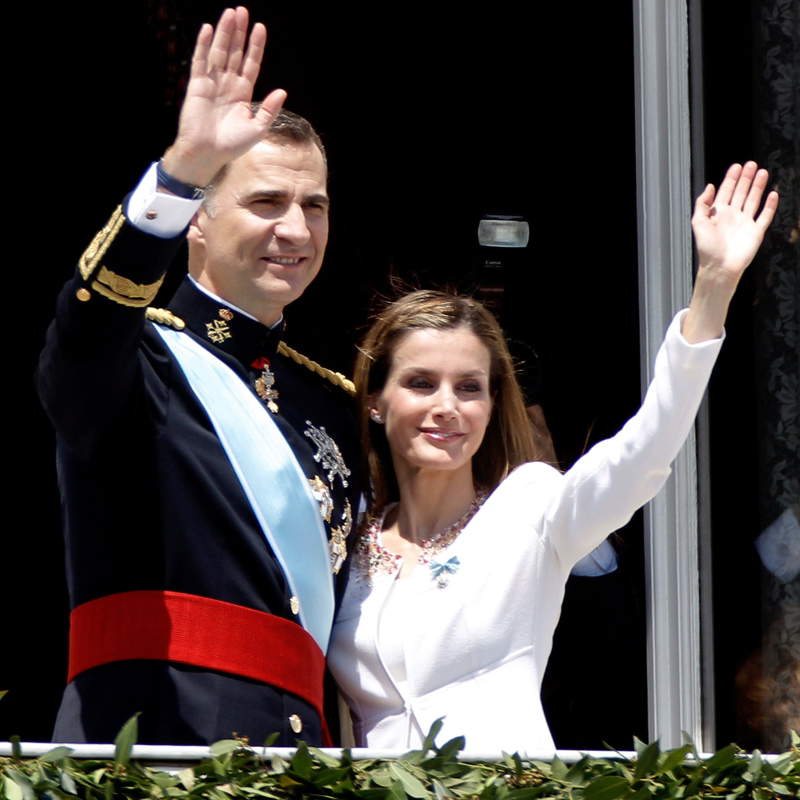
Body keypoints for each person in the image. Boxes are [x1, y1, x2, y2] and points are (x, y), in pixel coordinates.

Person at [328, 162, 778, 753]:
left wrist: (713, 286)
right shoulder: (347, 536)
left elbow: (641, 454)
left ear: (492, 408)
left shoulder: (529, 506)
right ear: (377, 402)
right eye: (420, 383)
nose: (447, 406)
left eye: (469, 388)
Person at [38, 7, 360, 745]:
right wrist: (181, 168)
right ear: (198, 220)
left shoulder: (335, 406)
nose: (297, 230)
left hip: (298, 761)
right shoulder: (132, 359)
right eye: (266, 203)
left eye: (315, 206)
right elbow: (85, 330)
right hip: (149, 745)